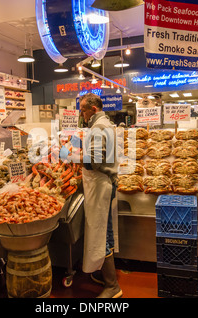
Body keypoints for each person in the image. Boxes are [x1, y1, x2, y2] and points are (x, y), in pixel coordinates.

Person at [76, 93, 122, 298]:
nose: (82, 115)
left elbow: (93, 162)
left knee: (100, 232)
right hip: (104, 183)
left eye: (84, 111)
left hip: (100, 184)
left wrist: (73, 158)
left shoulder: (98, 127)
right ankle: (105, 274)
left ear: (93, 109)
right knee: (106, 229)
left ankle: (112, 286)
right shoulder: (105, 124)